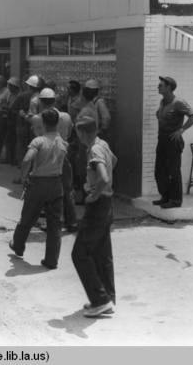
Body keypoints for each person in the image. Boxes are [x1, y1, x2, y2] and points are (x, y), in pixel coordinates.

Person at [9, 109, 69, 270]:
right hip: (56, 184)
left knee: (27, 218)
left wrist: (23, 177)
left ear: (43, 123)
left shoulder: (39, 141)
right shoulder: (63, 143)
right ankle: (51, 260)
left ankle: (18, 246)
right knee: (55, 225)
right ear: (57, 123)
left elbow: (27, 159)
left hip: (38, 184)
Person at [71, 116, 118, 317]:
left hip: (98, 206)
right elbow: (113, 161)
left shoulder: (94, 150)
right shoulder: (103, 144)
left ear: (82, 133)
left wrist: (94, 193)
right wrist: (99, 185)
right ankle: (107, 298)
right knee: (101, 253)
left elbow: (104, 176)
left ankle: (100, 300)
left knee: (79, 254)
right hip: (108, 204)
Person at [30, 88, 77, 232]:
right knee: (67, 190)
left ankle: (49, 222)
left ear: (41, 102)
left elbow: (37, 135)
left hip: (46, 156)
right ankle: (72, 222)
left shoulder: (37, 118)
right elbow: (69, 133)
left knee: (47, 190)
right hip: (63, 154)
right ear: (54, 100)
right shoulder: (66, 117)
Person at [153, 76, 193, 209]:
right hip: (162, 139)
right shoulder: (163, 102)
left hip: (173, 141)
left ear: (169, 87)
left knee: (173, 171)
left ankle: (175, 200)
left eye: (161, 85)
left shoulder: (178, 102)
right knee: (160, 170)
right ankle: (165, 196)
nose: (158, 87)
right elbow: (160, 115)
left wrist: (181, 130)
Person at [5, 77, 21, 165]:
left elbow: (17, 108)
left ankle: (15, 159)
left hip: (16, 119)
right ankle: (10, 158)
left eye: (10, 86)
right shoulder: (9, 95)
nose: (9, 87)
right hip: (9, 118)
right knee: (9, 139)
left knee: (15, 140)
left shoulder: (19, 96)